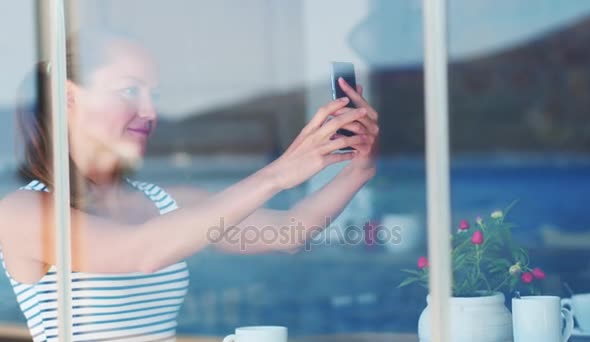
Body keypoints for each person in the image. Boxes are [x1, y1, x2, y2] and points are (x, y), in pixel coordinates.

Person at [0, 28, 379, 341]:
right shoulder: (21, 212)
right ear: (68, 96)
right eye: (130, 90)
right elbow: (140, 253)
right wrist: (278, 174)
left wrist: (358, 169)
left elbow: (287, 233)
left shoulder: (164, 202)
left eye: (154, 95)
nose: (150, 112)